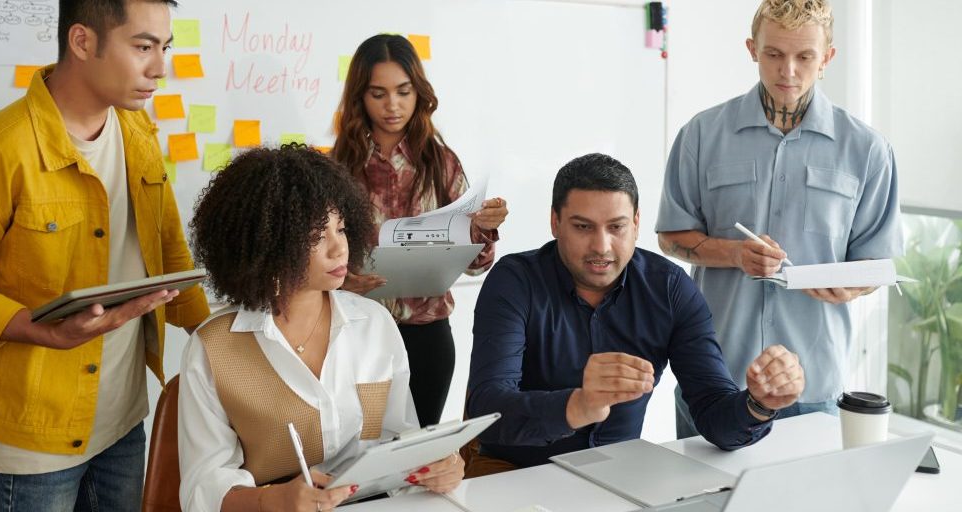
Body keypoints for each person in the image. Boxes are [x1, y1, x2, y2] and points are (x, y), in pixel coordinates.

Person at [0, 0, 211, 509]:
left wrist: (214, 338)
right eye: (143, 47)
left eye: (165, 47)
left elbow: (166, 245)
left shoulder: (139, 131)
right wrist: (34, 327)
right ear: (83, 42)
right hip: (29, 440)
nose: (160, 68)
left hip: (125, 418)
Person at [465, 153, 805, 475]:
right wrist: (578, 405)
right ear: (555, 223)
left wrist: (759, 404)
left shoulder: (669, 288)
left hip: (619, 480)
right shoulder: (515, 281)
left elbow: (713, 413)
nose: (601, 246)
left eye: (617, 227)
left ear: (637, 223)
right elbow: (486, 411)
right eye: (583, 227)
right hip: (514, 476)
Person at [655, 0, 902, 438]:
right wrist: (734, 254)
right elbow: (671, 237)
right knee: (700, 507)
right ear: (752, 49)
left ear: (827, 57)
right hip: (714, 377)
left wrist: (854, 283)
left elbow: (877, 263)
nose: (788, 70)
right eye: (774, 54)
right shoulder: (701, 134)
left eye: (804, 56)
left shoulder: (867, 151)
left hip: (814, 383)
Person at [179, 145, 465, 512]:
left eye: (341, 228)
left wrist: (435, 464)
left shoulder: (373, 324)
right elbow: (202, 487)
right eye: (316, 235)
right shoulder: (213, 347)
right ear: (266, 242)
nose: (339, 249)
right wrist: (273, 499)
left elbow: (399, 438)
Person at [331, 34, 509, 427]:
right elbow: (314, 256)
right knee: (360, 457)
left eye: (403, 92)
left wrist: (481, 230)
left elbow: (476, 267)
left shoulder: (441, 163)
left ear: (419, 93)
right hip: (357, 333)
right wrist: (342, 285)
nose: (392, 105)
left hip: (428, 336)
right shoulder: (338, 167)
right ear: (360, 96)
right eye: (378, 93)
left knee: (417, 459)